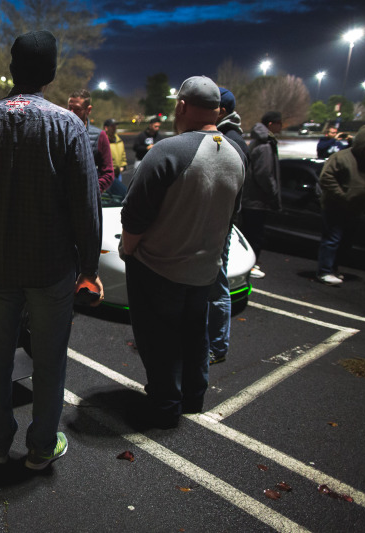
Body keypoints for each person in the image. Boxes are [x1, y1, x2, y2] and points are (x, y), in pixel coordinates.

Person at [0, 30, 103, 470]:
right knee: (50, 357)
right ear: (51, 73)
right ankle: (40, 447)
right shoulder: (68, 125)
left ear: (12, 68)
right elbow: (85, 205)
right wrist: (88, 267)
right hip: (51, 266)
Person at [120, 76, 246, 429]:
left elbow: (135, 214)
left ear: (182, 106)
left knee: (159, 341)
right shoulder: (236, 153)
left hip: (160, 267)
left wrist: (129, 251)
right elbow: (234, 212)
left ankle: (164, 407)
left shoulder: (169, 151)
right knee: (195, 335)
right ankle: (193, 397)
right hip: (203, 267)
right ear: (218, 110)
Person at [207, 87, 249, 366]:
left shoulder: (230, 141)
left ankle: (217, 345)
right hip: (219, 221)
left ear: (221, 111)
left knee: (217, 284)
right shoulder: (228, 137)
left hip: (219, 224)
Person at [316, 124, 365, 285]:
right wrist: (342, 195)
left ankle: (333, 269)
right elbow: (326, 178)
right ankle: (324, 271)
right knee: (332, 239)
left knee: (345, 241)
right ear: (363, 142)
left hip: (356, 208)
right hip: (335, 206)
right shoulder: (341, 157)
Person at [239, 110, 282, 278]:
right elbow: (264, 174)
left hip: (252, 197)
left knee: (251, 232)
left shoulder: (260, 141)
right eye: (279, 123)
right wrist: (273, 192)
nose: (282, 126)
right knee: (253, 234)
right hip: (256, 198)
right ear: (271, 124)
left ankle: (250, 264)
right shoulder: (264, 145)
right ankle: (250, 265)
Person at [67, 89, 115, 192]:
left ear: (88, 110)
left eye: (77, 109)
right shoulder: (59, 132)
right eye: (70, 108)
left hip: (86, 200)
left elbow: (108, 173)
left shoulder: (99, 136)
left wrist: (92, 191)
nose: (71, 113)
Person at [103, 118, 129, 198]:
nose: (114, 129)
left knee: (118, 195)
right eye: (112, 127)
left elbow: (122, 154)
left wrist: (123, 165)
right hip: (107, 174)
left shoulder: (118, 140)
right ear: (106, 128)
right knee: (108, 195)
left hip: (118, 173)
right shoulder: (102, 140)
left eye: (115, 127)